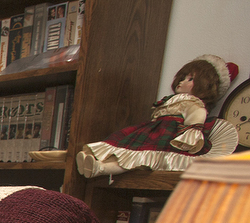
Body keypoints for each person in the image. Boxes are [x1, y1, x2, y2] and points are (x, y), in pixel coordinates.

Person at [76, 55, 240, 177]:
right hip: (154, 132)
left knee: (139, 160)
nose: (182, 82)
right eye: (182, 77)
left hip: (168, 138)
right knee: (128, 153)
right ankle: (98, 164)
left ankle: (100, 169)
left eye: (190, 79)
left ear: (206, 86)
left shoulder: (193, 103)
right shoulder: (170, 101)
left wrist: (190, 135)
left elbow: (196, 116)